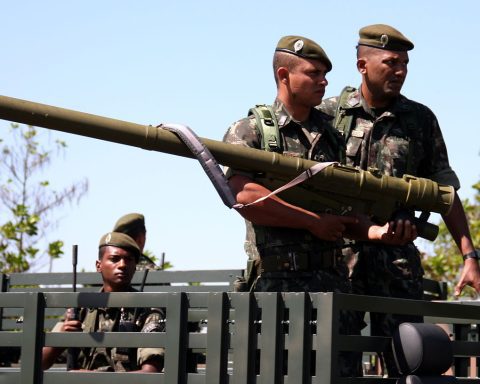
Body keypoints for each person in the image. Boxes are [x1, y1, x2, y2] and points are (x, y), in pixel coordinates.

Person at [223, 35, 415, 377]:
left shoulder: (333, 136)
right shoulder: (250, 131)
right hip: (277, 288)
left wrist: (377, 232)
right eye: (313, 73)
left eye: (325, 74)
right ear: (284, 75)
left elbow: (347, 213)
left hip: (332, 289)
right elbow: (245, 198)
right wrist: (312, 222)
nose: (324, 81)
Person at [318, 24, 480, 376]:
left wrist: (469, 255)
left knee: (408, 363)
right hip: (336, 259)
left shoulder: (419, 120)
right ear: (363, 65)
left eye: (404, 64)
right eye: (391, 63)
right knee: (337, 365)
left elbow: (445, 192)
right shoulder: (328, 115)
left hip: (397, 263)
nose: (400, 71)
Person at [42, 232, 165, 372]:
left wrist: (91, 379)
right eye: (115, 259)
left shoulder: (147, 310)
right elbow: (38, 363)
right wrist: (61, 339)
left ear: (135, 267)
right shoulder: (82, 309)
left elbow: (150, 373)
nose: (122, 265)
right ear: (98, 265)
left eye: (129, 259)